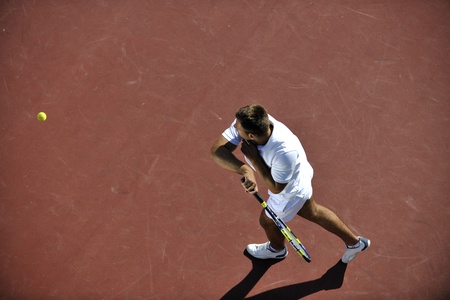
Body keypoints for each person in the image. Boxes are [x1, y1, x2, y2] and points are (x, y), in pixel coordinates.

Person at [210, 104, 370, 263]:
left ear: (251, 136)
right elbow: (217, 151)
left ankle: (276, 250)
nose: (235, 128)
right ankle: (355, 243)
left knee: (267, 221)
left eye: (238, 130)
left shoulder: (284, 153)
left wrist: (255, 159)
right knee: (312, 211)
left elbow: (277, 188)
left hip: (290, 191)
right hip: (299, 171)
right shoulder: (254, 120)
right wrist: (246, 170)